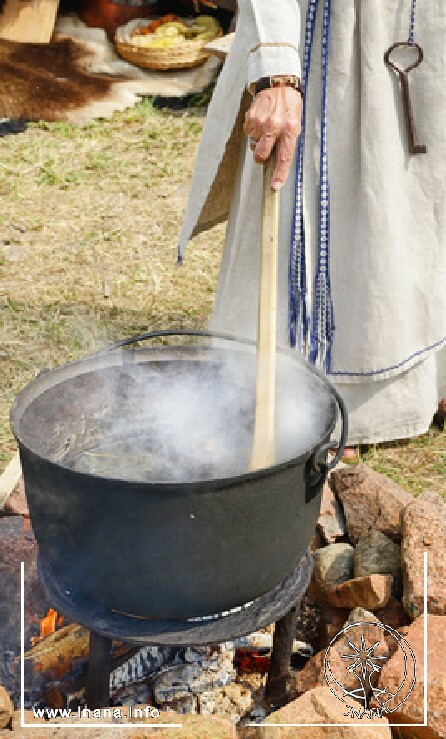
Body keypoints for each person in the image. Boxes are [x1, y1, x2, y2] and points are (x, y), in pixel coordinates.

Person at [178, 0, 446, 447]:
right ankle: (322, 399)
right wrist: (278, 70)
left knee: (425, 201)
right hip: (333, 41)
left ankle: (429, 376)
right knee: (348, 210)